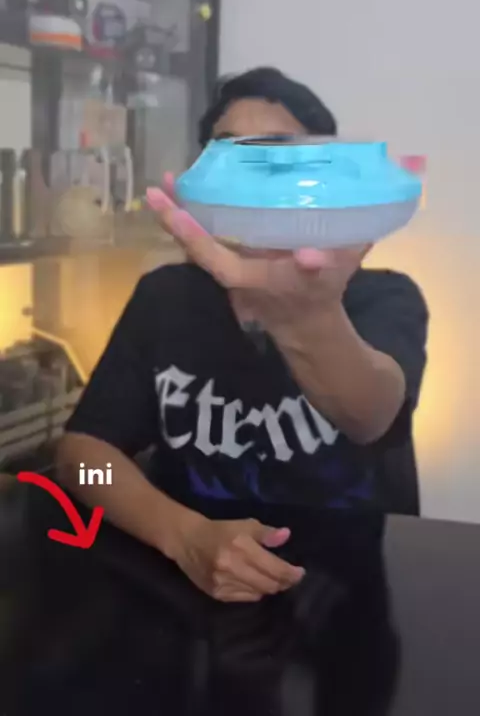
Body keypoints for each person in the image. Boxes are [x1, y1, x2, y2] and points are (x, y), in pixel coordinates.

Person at [56, 68, 428, 603]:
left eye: (276, 155)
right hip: (188, 598)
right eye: (231, 153)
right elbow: (82, 460)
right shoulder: (165, 297)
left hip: (343, 602)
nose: (252, 178)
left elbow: (371, 414)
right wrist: (184, 536)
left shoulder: (386, 297)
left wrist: (305, 317)